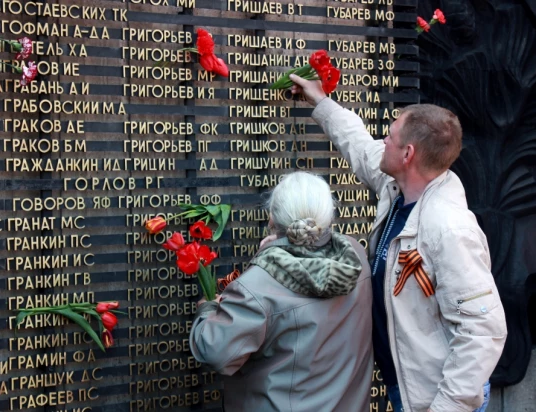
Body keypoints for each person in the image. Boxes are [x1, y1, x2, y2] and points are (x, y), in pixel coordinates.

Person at [289, 74, 507, 412]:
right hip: (409, 390)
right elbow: (360, 145)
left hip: (437, 400)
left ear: (408, 153)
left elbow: (482, 332)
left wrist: (445, 408)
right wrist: (321, 102)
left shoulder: (449, 229)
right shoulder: (399, 189)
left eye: (389, 136)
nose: (383, 141)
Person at [190, 171, 374, 411]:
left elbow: (214, 352)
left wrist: (208, 308)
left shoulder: (258, 286)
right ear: (328, 216)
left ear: (271, 220)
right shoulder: (356, 257)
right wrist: (274, 251)